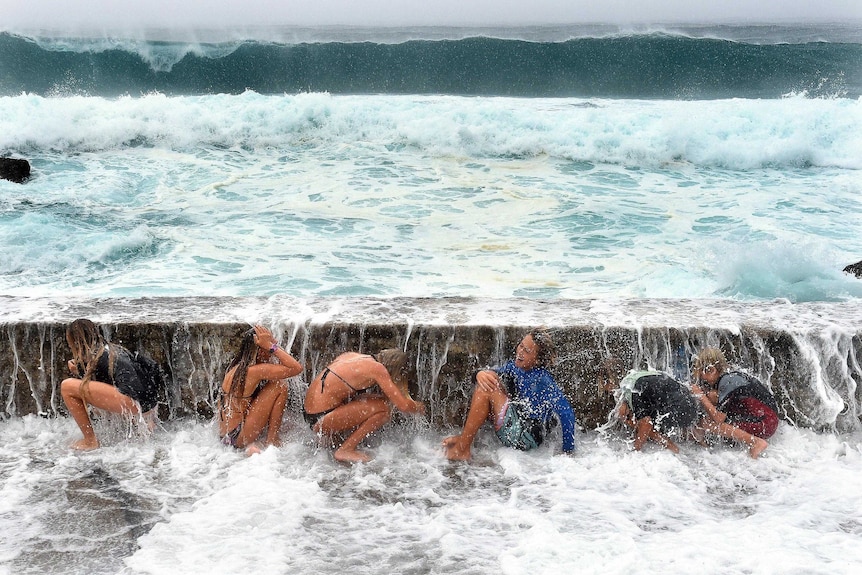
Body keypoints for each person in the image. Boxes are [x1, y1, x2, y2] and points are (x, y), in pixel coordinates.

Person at [442, 329, 577, 461]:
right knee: (488, 378)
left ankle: (462, 448)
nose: (520, 352)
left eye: (527, 351)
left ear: (537, 361)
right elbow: (494, 373)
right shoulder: (515, 367)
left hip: (525, 437)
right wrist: (479, 374)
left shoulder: (543, 380)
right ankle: (464, 439)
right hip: (516, 423)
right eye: (521, 346)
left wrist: (568, 451)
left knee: (486, 389)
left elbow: (567, 413)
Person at [303, 349, 425, 463]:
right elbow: (403, 406)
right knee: (384, 408)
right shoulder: (378, 369)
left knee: (374, 399)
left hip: (312, 414)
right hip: (321, 419)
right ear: (395, 368)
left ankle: (335, 439)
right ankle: (345, 450)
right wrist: (418, 407)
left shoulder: (352, 356)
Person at [60, 318, 160, 451]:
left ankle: (90, 441)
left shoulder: (100, 356)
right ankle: (144, 424)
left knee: (67, 387)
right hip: (148, 403)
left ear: (76, 342)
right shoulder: (112, 349)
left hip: (132, 403)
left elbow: (90, 385)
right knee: (100, 399)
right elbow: (150, 367)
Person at [218, 325, 303, 454]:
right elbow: (296, 368)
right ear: (259, 349)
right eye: (270, 343)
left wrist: (268, 344)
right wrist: (272, 348)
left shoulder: (236, 366)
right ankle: (272, 440)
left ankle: (252, 445)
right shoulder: (254, 371)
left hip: (226, 436)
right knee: (280, 385)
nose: (275, 344)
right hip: (238, 435)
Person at [599, 360, 698, 453]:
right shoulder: (637, 375)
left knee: (639, 422)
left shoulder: (630, 388)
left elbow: (647, 423)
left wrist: (636, 449)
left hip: (681, 411)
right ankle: (693, 441)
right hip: (691, 403)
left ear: (609, 382)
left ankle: (672, 447)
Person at [692, 347, 779, 440]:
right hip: (769, 420)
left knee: (706, 422)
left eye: (703, 372)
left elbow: (718, 419)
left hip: (765, 424)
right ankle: (702, 445)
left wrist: (701, 395)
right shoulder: (731, 376)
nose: (702, 377)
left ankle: (756, 443)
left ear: (712, 370)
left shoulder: (727, 381)